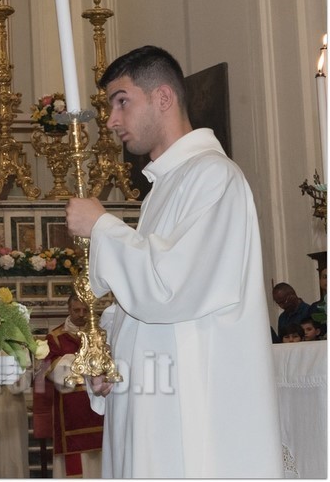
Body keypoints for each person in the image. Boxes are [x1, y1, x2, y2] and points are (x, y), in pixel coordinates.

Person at [65, 45, 281, 477]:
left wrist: (101, 226)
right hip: (155, 399)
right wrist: (109, 361)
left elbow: (169, 288)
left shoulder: (214, 177)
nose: (111, 120)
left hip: (190, 407)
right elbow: (141, 302)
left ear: (162, 97)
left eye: (121, 101)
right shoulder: (164, 188)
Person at [41, 295, 104, 478]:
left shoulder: (99, 334)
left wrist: (74, 362)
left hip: (99, 406)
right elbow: (49, 369)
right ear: (69, 310)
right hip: (70, 410)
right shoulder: (55, 337)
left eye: (85, 310)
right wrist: (80, 362)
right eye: (77, 310)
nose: (81, 314)